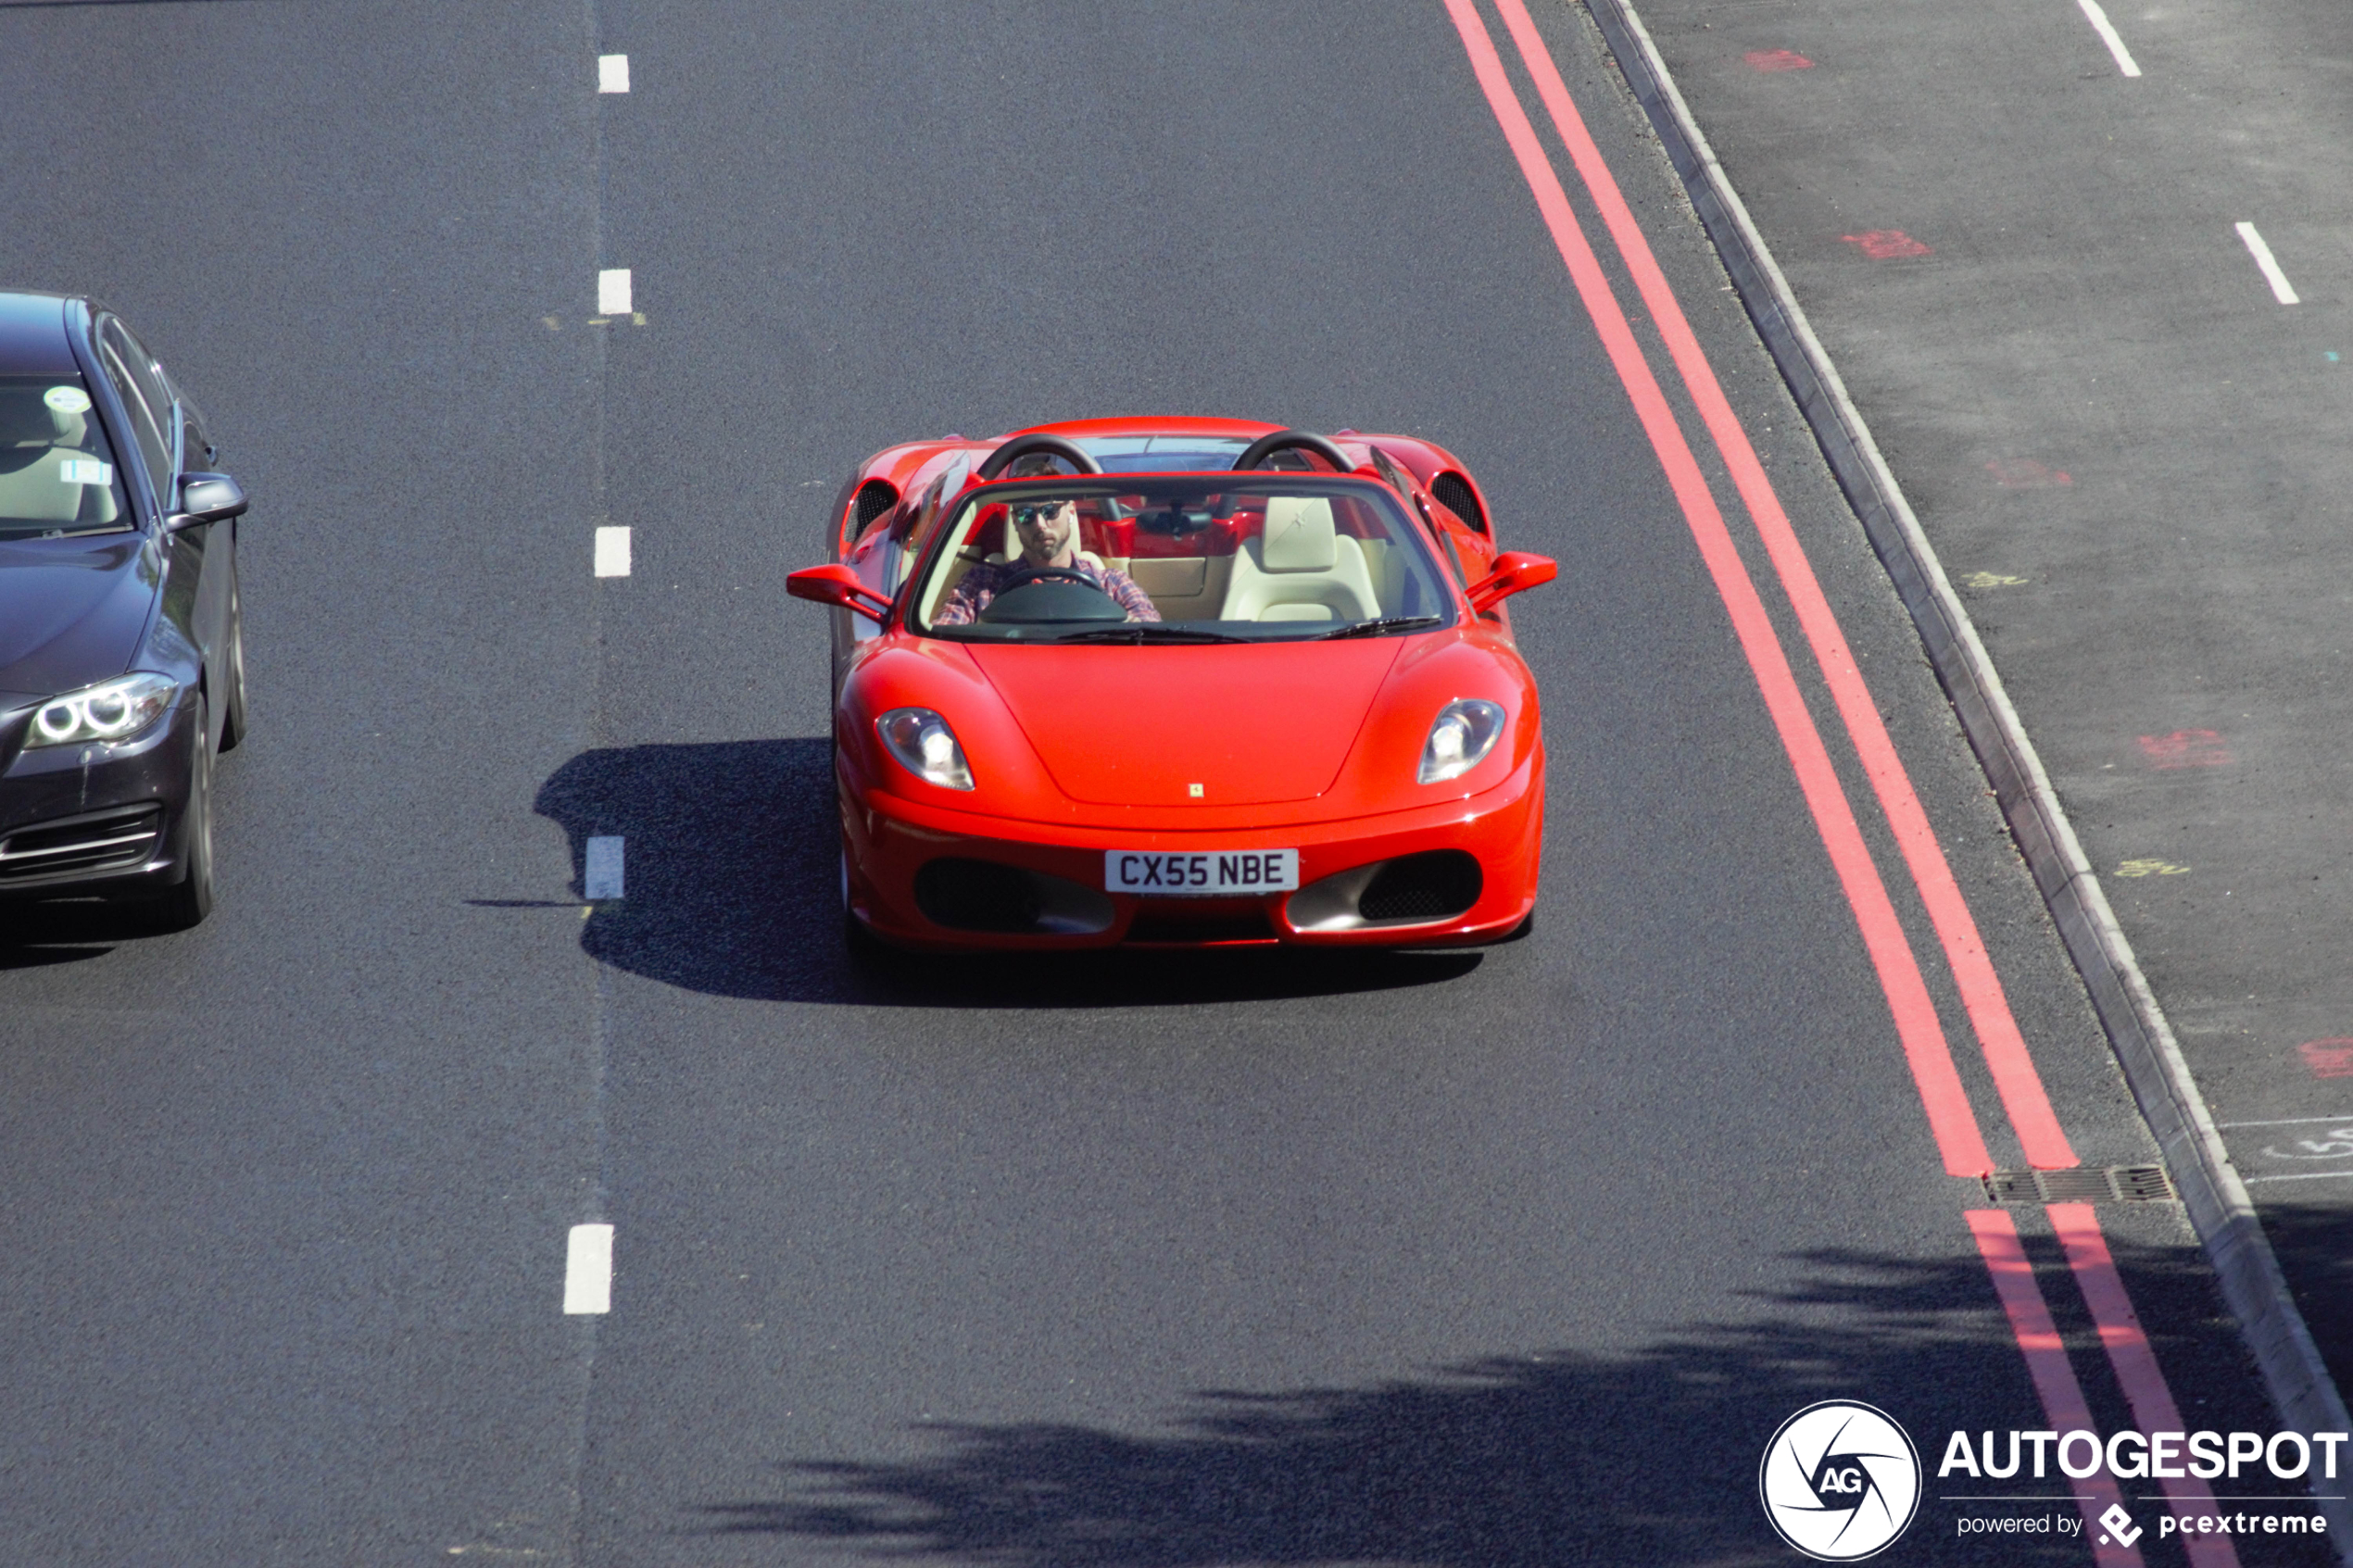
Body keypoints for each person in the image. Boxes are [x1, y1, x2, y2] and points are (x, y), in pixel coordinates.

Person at [933, 497, 1160, 624]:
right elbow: (945, 638)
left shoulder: (1112, 584)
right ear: (1015, 521)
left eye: (1050, 511)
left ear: (1071, 510)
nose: (1039, 524)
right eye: (1026, 514)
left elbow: (1152, 634)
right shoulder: (982, 583)